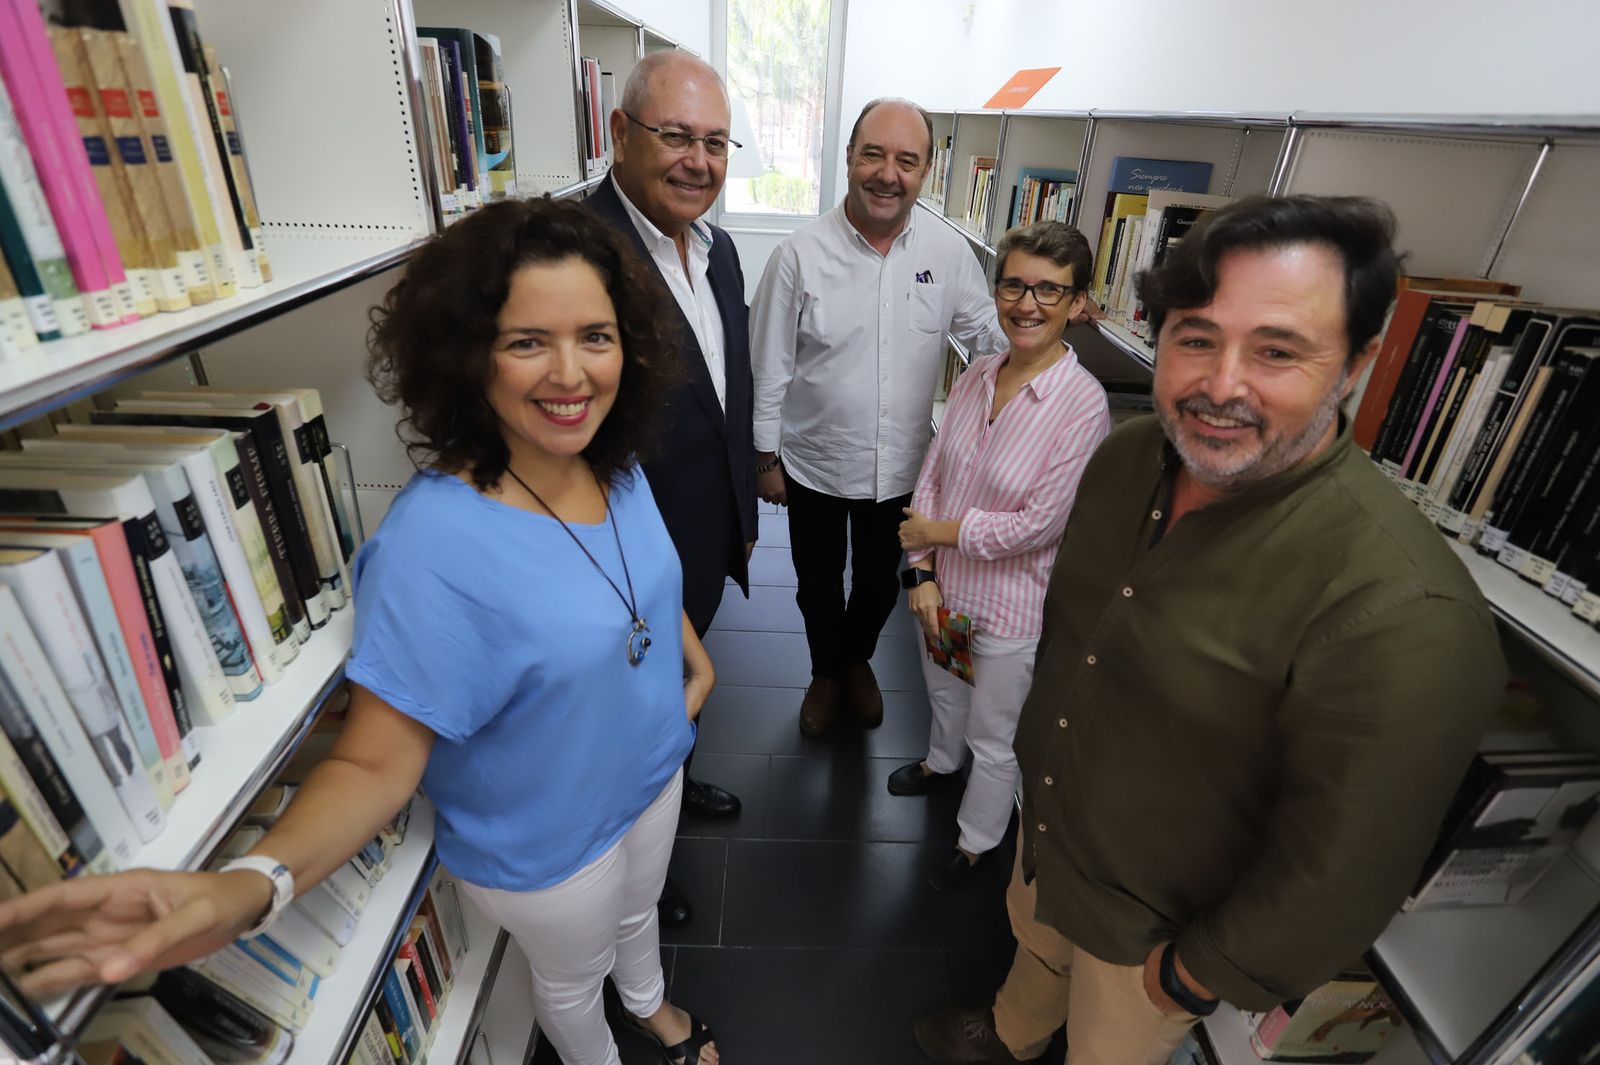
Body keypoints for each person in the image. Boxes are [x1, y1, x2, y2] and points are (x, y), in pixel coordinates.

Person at [0, 199, 721, 1065]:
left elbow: (639, 581)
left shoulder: (616, 463)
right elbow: (373, 760)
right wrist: (248, 885)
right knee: (572, 977)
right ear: (469, 357)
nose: (570, 373)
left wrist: (694, 663)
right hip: (550, 845)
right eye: (527, 340)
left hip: (653, 769)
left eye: (595, 336)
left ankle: (650, 1005)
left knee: (639, 917)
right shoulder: (432, 542)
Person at [912, 195, 1506, 1065]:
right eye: (1195, 336)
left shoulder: (1404, 608)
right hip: (1049, 847)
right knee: (1032, 965)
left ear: (1356, 364)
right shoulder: (1126, 459)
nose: (1222, 383)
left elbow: (1342, 871)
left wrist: (1192, 974)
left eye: (1277, 350)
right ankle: (1008, 1031)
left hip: (1151, 935)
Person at [750, 97, 1006, 738]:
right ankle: (826, 673)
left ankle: (854, 660)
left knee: (877, 586)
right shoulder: (799, 256)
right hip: (812, 460)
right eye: (874, 155)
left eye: (906, 161)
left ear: (926, 173)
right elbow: (770, 365)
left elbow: (990, 342)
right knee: (815, 582)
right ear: (848, 159)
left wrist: (1050, 334)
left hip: (903, 468)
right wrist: (765, 457)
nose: (888, 174)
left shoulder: (948, 255)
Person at [583, 52, 756, 927]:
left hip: (705, 526)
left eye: (715, 141)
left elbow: (728, 386)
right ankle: (640, 873)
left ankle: (673, 786)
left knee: (674, 699)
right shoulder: (581, 257)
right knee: (630, 715)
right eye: (676, 136)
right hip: (626, 557)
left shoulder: (717, 250)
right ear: (619, 134)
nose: (699, 160)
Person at [892, 221, 1110, 894]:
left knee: (996, 734)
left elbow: (1038, 525)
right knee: (945, 692)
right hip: (944, 590)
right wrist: (923, 572)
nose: (1028, 303)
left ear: (1078, 303)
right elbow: (933, 470)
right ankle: (937, 761)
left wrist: (937, 532)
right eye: (1014, 284)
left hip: (1012, 610)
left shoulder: (1084, 405)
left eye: (1050, 289)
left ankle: (978, 839)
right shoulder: (979, 374)